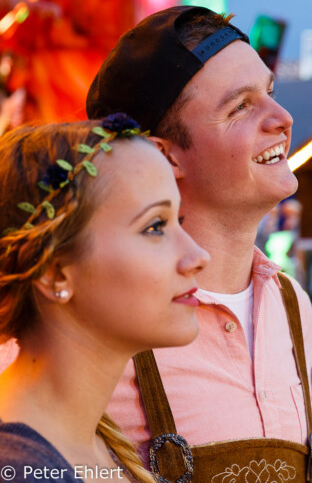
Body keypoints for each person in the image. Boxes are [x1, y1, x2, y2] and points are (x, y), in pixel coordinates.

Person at [85, 6, 312, 482]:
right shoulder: (97, 332)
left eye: (270, 93)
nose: (283, 118)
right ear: (163, 156)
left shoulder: (292, 307)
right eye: (241, 106)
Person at [0, 112, 209, 482]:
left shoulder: (90, 438)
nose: (198, 256)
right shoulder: (21, 469)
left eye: (180, 221)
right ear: (55, 271)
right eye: (155, 226)